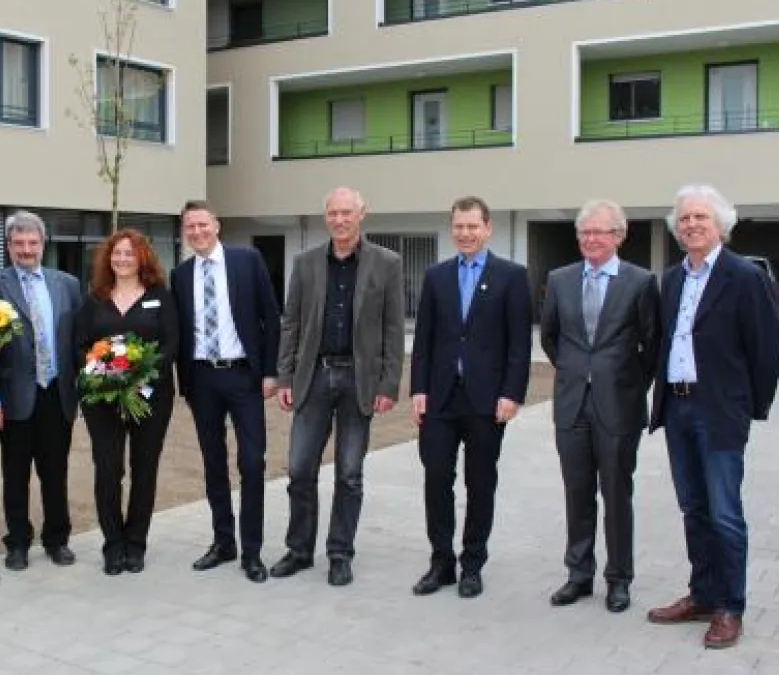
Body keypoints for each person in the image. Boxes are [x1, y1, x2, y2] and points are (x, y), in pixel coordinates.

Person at [647, 185, 779, 650]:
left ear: (720, 223)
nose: (691, 225)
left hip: (720, 411)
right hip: (678, 406)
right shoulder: (673, 279)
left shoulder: (743, 277)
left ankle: (731, 606)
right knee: (693, 508)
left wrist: (748, 407)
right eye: (684, 218)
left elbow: (768, 351)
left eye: (700, 217)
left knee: (725, 513)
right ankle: (702, 595)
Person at [272, 187, 404, 588]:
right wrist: (285, 376)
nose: (340, 220)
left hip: (358, 380)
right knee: (299, 469)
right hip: (313, 377)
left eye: (347, 212)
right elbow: (291, 323)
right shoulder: (306, 262)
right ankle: (298, 550)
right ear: (325, 216)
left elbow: (394, 329)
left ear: (362, 214)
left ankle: (340, 553)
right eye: (333, 213)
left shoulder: (387, 264)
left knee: (349, 473)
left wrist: (389, 383)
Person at [539, 200, 661, 613]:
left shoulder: (641, 282)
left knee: (616, 494)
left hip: (619, 407)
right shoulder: (559, 279)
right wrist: (578, 371)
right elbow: (550, 337)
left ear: (618, 236)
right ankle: (578, 575)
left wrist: (623, 382)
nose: (591, 239)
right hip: (572, 405)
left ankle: (619, 579)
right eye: (584, 232)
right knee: (577, 493)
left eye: (600, 232)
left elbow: (651, 345)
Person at [409, 196, 532, 599]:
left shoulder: (511, 276)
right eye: (459, 227)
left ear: (488, 228)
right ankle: (441, 561)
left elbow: (519, 344)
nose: (465, 233)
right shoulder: (436, 276)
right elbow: (423, 340)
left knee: (480, 483)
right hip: (441, 400)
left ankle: (472, 563)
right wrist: (419, 390)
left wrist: (512, 393)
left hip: (486, 401)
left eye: (472, 226)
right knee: (436, 480)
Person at [171, 200, 280, 584]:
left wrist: (271, 372)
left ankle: (252, 551)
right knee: (213, 462)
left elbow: (270, 315)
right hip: (202, 379)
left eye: (203, 224)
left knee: (252, 463)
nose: (197, 232)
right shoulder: (180, 275)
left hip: (244, 377)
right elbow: (179, 332)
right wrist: (183, 384)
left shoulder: (246, 260)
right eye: (190, 227)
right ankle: (223, 542)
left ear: (216, 225)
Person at [74, 228, 178, 576]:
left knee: (144, 470)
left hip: (150, 397)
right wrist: (102, 374)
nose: (122, 259)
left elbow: (171, 344)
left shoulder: (159, 296)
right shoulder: (95, 299)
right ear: (108, 258)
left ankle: (136, 544)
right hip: (102, 400)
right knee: (108, 469)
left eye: (129, 253)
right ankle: (113, 544)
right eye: (116, 253)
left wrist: (139, 377)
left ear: (142, 258)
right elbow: (80, 346)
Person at [0, 211, 83, 571]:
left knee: (55, 472)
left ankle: (57, 539)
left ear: (44, 244)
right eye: (18, 243)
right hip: (15, 396)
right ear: (9, 246)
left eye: (33, 242)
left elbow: (78, 341)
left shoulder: (68, 284)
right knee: (15, 475)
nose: (26, 250)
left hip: (57, 394)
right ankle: (17, 543)